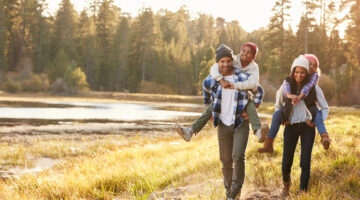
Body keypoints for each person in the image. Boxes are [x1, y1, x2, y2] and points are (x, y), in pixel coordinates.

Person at [201, 44, 264, 199]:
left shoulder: (242, 76)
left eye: (228, 61)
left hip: (240, 121)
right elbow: (206, 90)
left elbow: (259, 90)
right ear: (218, 62)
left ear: (232, 61)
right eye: (222, 61)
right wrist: (209, 108)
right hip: (223, 123)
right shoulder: (213, 79)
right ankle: (229, 192)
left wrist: (252, 107)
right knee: (225, 160)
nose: (226, 64)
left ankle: (236, 191)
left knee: (238, 156)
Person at [176, 42, 268, 143]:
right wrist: (221, 80)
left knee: (250, 105)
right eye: (243, 50)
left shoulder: (254, 67)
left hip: (243, 95)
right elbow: (214, 68)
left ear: (253, 56)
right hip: (224, 98)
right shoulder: (232, 59)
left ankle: (258, 132)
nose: (244, 53)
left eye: (249, 52)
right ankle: (190, 131)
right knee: (211, 107)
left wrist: (253, 105)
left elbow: (255, 85)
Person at [258, 54, 331, 153]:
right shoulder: (289, 80)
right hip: (291, 117)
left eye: (315, 66)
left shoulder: (313, 82)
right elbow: (280, 96)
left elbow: (309, 89)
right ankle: (268, 143)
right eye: (310, 64)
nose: (312, 67)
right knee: (277, 114)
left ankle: (325, 136)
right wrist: (284, 116)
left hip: (309, 114)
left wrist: (302, 98)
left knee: (317, 114)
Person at [278, 55, 321, 195]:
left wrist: (315, 120)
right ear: (292, 71)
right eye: (296, 72)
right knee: (286, 161)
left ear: (307, 72)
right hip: (290, 126)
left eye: (302, 72)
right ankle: (286, 185)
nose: (299, 74)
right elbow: (278, 104)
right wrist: (283, 118)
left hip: (307, 127)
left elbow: (324, 107)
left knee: (305, 161)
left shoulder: (313, 88)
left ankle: (303, 190)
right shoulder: (286, 85)